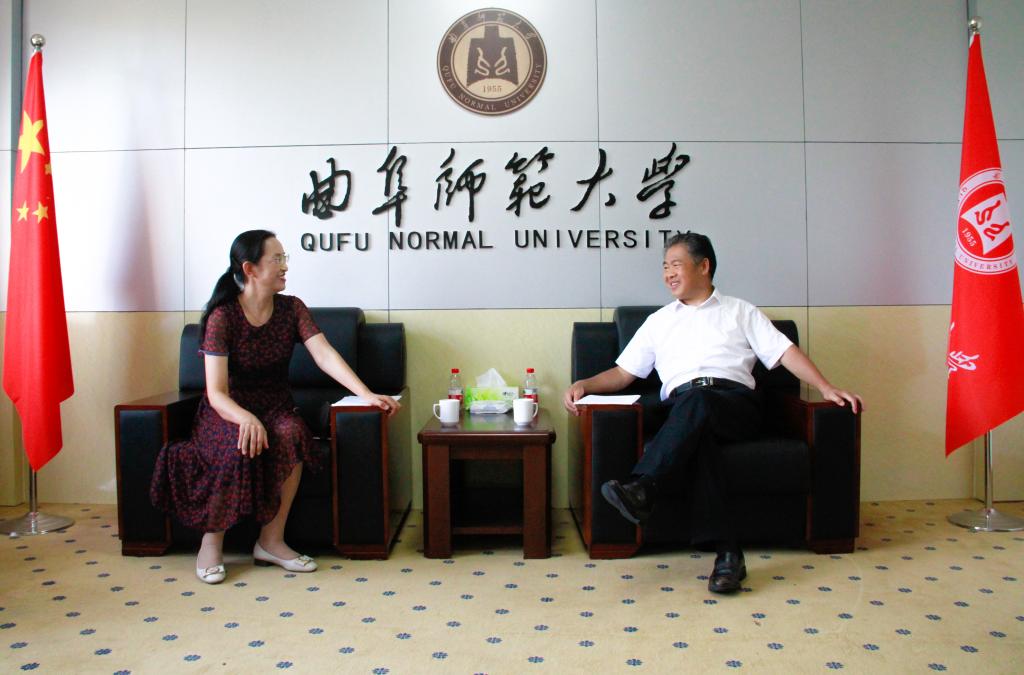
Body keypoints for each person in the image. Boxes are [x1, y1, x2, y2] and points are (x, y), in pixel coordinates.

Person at [563, 231, 862, 594]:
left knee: (699, 402)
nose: (668, 274)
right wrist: (585, 383)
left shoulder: (741, 311)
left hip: (735, 405)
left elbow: (784, 352)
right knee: (699, 438)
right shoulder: (659, 321)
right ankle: (729, 556)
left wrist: (826, 387)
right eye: (665, 266)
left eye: (676, 265)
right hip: (681, 409)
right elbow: (624, 373)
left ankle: (645, 485)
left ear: (703, 266)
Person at [151, 230, 400, 584]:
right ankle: (211, 542)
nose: (285, 267)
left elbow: (324, 354)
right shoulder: (223, 316)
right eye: (277, 259)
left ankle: (271, 540)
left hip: (275, 407)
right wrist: (245, 418)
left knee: (292, 432)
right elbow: (216, 392)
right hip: (227, 410)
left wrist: (367, 393)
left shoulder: (291, 308)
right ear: (250, 268)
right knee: (236, 440)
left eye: (285, 258)